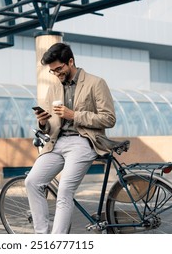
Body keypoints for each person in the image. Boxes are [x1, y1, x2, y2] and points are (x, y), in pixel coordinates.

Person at [25, 42, 116, 234]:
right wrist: (42, 123)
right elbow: (52, 127)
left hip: (84, 141)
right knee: (32, 181)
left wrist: (74, 115)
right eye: (53, 71)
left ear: (71, 62)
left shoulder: (95, 83)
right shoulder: (53, 89)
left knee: (65, 191)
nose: (57, 74)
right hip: (57, 143)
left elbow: (109, 119)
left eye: (59, 68)